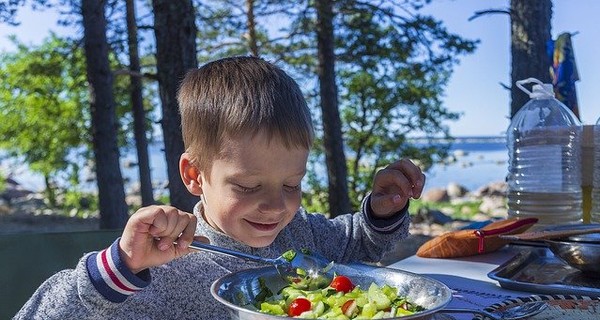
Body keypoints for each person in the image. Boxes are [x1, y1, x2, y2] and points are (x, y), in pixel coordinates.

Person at [15, 56, 425, 319]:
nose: (276, 206)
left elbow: (356, 245)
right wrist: (121, 266)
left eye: (292, 183)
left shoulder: (301, 236)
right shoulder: (163, 269)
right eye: (247, 186)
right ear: (194, 176)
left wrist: (380, 213)